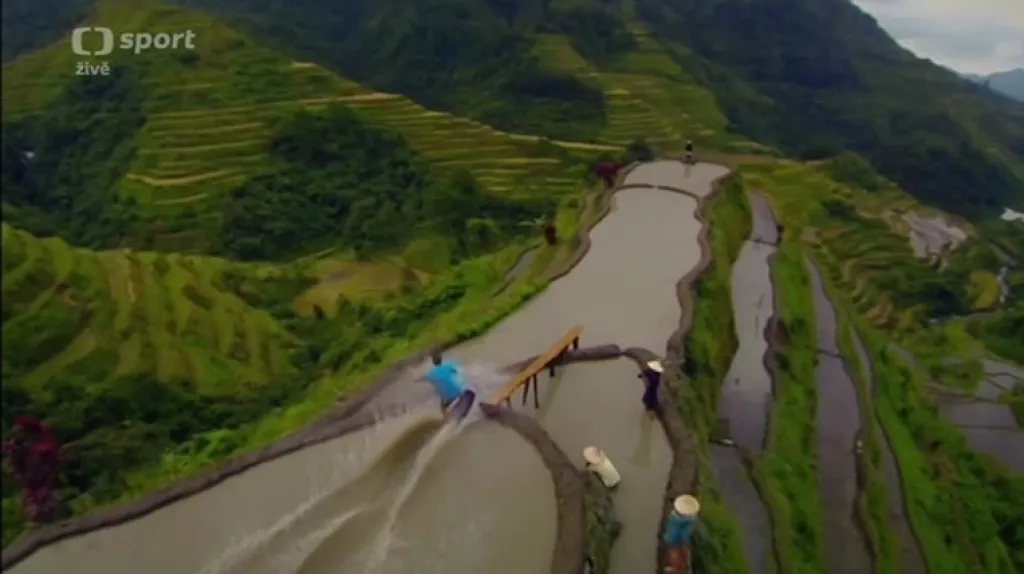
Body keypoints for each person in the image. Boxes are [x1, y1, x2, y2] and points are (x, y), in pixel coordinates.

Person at [663, 494, 701, 573]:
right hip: (679, 540)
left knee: (673, 554)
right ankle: (677, 569)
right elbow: (686, 535)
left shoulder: (673, 517)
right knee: (679, 556)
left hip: (672, 538)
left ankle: (674, 569)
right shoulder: (688, 522)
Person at [425, 351, 467, 415]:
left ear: (433, 362)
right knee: (458, 386)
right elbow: (455, 372)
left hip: (447, 397)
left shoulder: (431, 373)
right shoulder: (448, 365)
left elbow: (429, 379)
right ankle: (462, 400)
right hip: (458, 391)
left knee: (442, 407)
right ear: (441, 360)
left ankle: (446, 418)